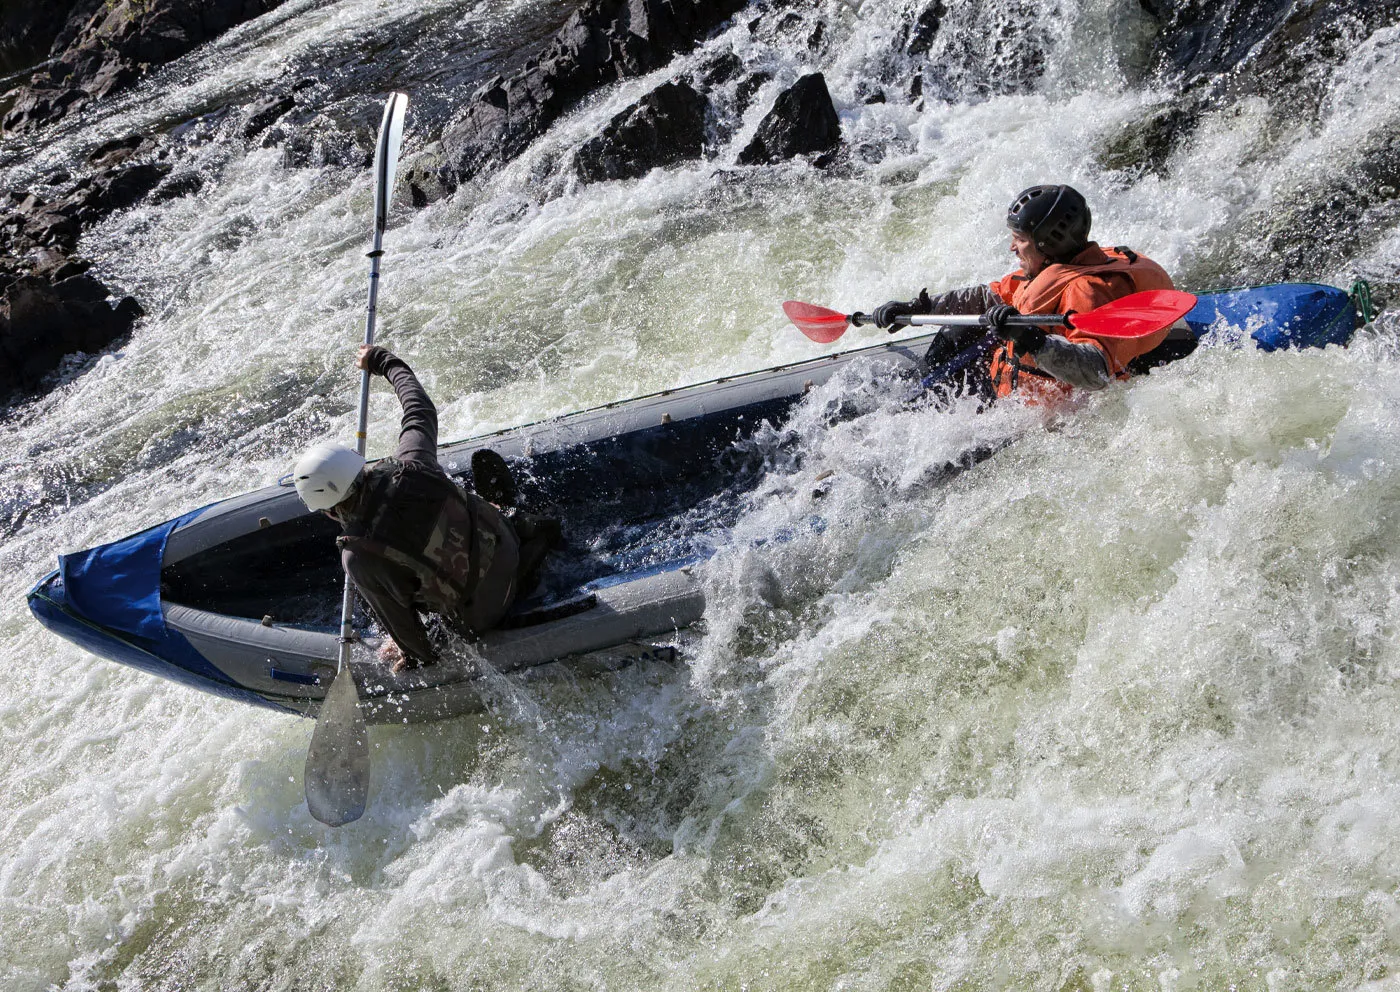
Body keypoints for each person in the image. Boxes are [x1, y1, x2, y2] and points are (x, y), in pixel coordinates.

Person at [291, 344, 555, 672]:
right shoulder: (413, 463)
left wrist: (411, 655)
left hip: (484, 612)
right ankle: (527, 531)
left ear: (329, 510)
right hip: (509, 549)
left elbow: (415, 643)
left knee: (374, 597)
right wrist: (380, 360)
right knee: (482, 481)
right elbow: (420, 408)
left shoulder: (359, 556)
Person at [872, 184, 1181, 401]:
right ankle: (915, 397)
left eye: (1019, 239)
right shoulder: (1053, 267)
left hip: (1039, 408)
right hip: (1005, 377)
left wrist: (1032, 340)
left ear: (1047, 244)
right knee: (955, 334)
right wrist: (921, 307)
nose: (1012, 247)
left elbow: (1095, 373)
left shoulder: (1086, 291)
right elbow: (989, 295)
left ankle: (917, 408)